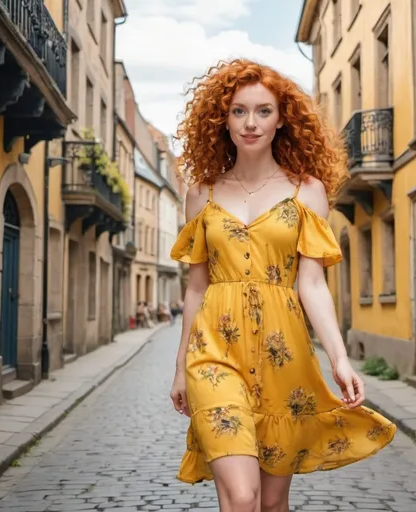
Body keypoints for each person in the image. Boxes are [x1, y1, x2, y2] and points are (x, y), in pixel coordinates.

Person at [169, 59, 396, 512]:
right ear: (222, 119)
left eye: (263, 111)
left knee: (271, 504)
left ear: (281, 119)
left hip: (284, 357)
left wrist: (339, 358)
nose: (250, 123)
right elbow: (196, 286)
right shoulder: (202, 192)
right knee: (241, 494)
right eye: (238, 111)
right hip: (213, 354)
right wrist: (180, 367)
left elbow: (312, 285)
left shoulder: (306, 191)